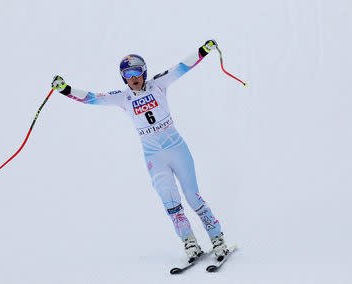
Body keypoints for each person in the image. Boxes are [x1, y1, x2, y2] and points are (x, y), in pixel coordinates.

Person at [51, 40, 229, 263]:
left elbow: (182, 67)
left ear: (144, 72)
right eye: (127, 75)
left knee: (193, 198)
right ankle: (190, 243)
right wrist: (65, 90)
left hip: (176, 149)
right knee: (170, 202)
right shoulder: (122, 97)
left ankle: (217, 239)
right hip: (154, 156)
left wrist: (203, 50)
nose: (133, 78)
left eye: (136, 72)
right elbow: (92, 98)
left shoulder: (159, 85)